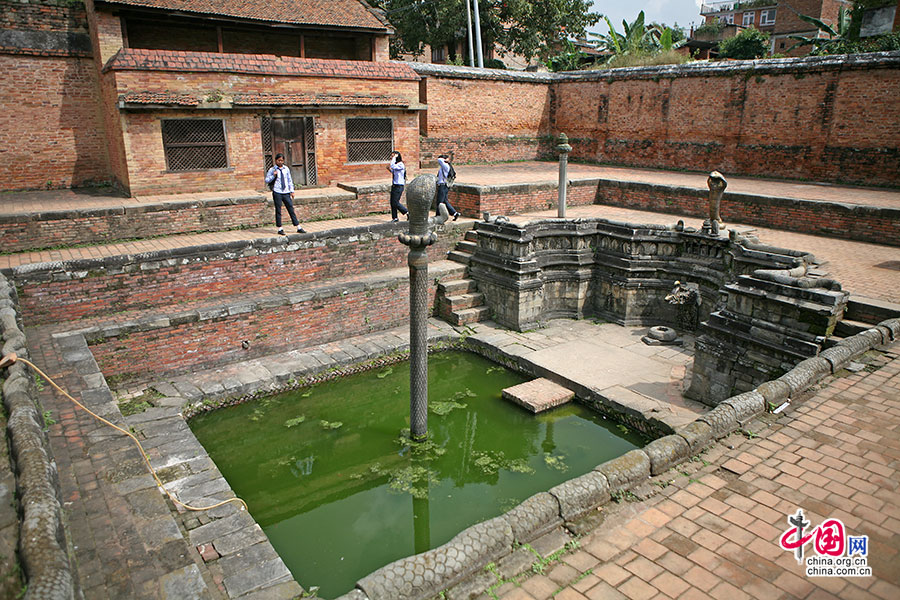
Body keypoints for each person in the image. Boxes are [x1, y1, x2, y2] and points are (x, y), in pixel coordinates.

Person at [265, 153, 306, 235]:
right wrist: (273, 175)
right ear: (276, 160)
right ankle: (280, 228)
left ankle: (298, 226)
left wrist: (292, 191)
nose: (280, 162)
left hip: (286, 192)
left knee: (291, 209)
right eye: (279, 160)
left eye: (282, 160)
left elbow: (289, 180)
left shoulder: (286, 169)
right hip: (277, 191)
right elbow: (267, 180)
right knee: (278, 210)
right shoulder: (272, 169)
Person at [436, 153, 459, 221]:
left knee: (439, 202)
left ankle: (438, 215)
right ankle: (455, 213)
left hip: (443, 186)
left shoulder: (446, 166)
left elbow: (439, 160)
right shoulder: (444, 166)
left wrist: (445, 159)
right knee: (445, 201)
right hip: (444, 185)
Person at [387, 151, 409, 222]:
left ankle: (407, 212)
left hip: (399, 186)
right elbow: (395, 172)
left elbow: (392, 166)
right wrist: (390, 170)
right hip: (395, 185)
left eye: (392, 156)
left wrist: (394, 157)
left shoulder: (400, 164)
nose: (391, 157)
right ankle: (395, 218)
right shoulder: (397, 165)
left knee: (395, 202)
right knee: (392, 202)